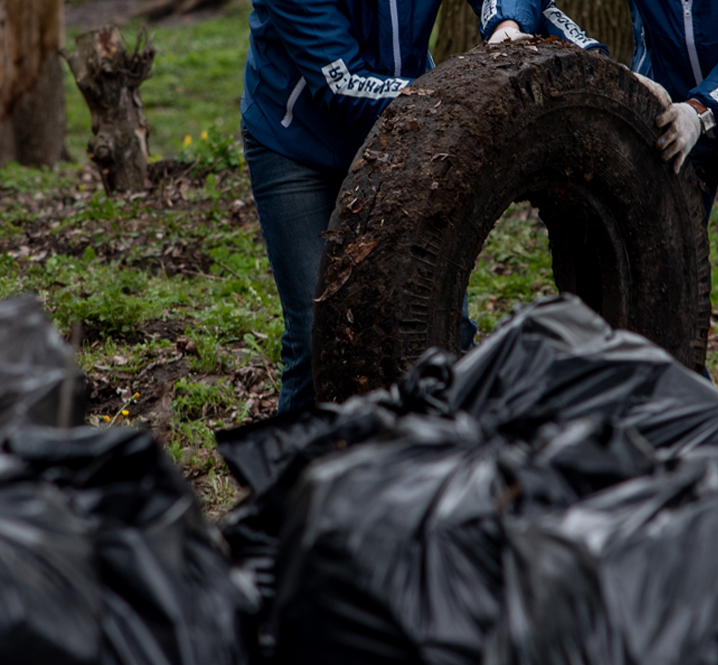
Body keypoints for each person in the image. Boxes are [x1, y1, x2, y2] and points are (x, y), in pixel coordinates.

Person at [241, 1, 604, 414]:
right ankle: (299, 473)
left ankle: (433, 464)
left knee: (445, 325)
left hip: (410, 130)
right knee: (315, 337)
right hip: (299, 145)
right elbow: (340, 87)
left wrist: (510, 23)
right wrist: (464, 94)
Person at [508, 0, 718, 417]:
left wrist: (703, 109)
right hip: (668, 112)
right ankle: (693, 426)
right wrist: (584, 54)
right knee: (655, 278)